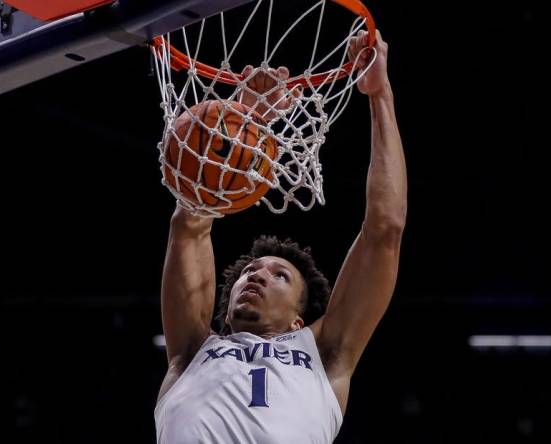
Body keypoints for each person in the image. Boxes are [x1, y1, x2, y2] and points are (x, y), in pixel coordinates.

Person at [154, 30, 406, 443]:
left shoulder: (326, 357)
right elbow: (191, 222)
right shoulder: (190, 353)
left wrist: (380, 95)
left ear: (297, 320)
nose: (255, 276)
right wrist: (239, 121)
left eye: (279, 276)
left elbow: (385, 230)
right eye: (250, 270)